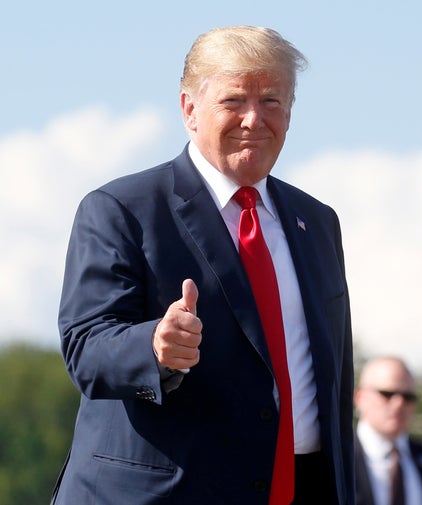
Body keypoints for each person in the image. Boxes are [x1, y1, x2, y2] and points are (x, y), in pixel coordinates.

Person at [52, 26, 354, 505]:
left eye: (272, 101)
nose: (254, 119)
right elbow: (86, 347)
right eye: (234, 100)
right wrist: (153, 345)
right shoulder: (121, 209)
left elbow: (330, 379)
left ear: (291, 113)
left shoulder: (316, 222)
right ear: (189, 110)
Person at [354, 357, 422, 505]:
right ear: (359, 397)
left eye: (408, 397)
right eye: (387, 394)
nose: (399, 404)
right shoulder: (334, 459)